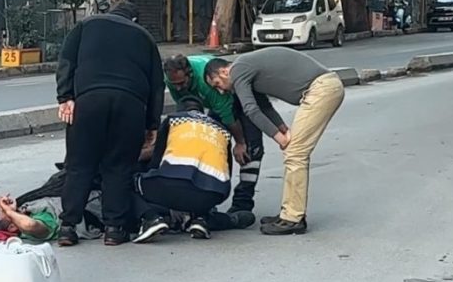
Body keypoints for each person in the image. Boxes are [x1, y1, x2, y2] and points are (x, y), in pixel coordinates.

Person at [55, 2, 165, 247]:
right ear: (134, 19)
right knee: (118, 167)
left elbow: (66, 61)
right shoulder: (145, 37)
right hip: (130, 105)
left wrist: (65, 97)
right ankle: (114, 229)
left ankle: (68, 227)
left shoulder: (85, 25)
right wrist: (152, 125)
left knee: (79, 164)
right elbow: (157, 85)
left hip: (89, 101)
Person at [204, 48, 345, 236]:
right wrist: (283, 129)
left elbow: (251, 110)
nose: (220, 90)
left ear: (224, 72)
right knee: (294, 152)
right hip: (323, 88)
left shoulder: (238, 70)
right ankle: (289, 213)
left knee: (295, 153)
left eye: (217, 84)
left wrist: (278, 138)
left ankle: (293, 219)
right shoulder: (246, 68)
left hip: (321, 90)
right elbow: (264, 106)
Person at [131, 100, 257, 244]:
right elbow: (225, 171)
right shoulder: (221, 128)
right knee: (199, 185)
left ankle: (151, 218)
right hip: (215, 193)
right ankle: (202, 219)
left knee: (125, 182)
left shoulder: (173, 120)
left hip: (172, 186)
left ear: (179, 110)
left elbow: (155, 163)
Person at [163, 54, 263, 214]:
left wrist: (240, 143)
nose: (179, 88)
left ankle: (242, 203)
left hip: (239, 99)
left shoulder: (206, 82)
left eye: (182, 83)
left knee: (251, 151)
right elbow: (183, 108)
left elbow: (228, 116)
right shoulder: (171, 79)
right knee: (212, 146)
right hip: (216, 104)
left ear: (190, 73)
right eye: (174, 85)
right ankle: (208, 197)